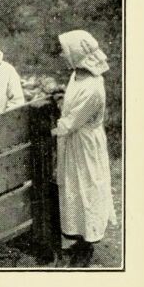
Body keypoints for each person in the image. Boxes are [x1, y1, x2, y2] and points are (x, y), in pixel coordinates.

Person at [52, 30, 116, 267]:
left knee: (86, 189)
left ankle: (87, 244)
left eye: (66, 51)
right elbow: (70, 106)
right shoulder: (77, 76)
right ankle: (78, 239)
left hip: (84, 144)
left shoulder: (92, 87)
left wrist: (51, 132)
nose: (62, 55)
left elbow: (71, 122)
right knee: (73, 189)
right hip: (74, 143)